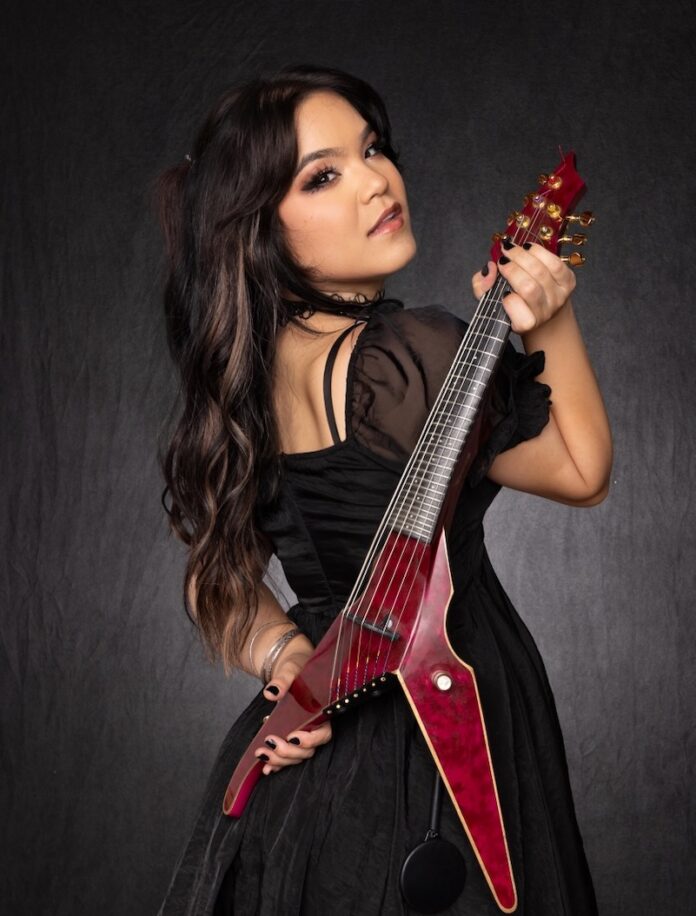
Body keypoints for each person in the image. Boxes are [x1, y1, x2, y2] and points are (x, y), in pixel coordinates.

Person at [154, 63, 612, 916]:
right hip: (447, 745)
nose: (375, 180)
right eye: (323, 175)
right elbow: (583, 474)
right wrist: (550, 316)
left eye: (372, 150)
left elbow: (213, 577)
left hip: (314, 756)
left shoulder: (242, 382)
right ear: (261, 230)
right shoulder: (410, 354)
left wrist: (293, 661)